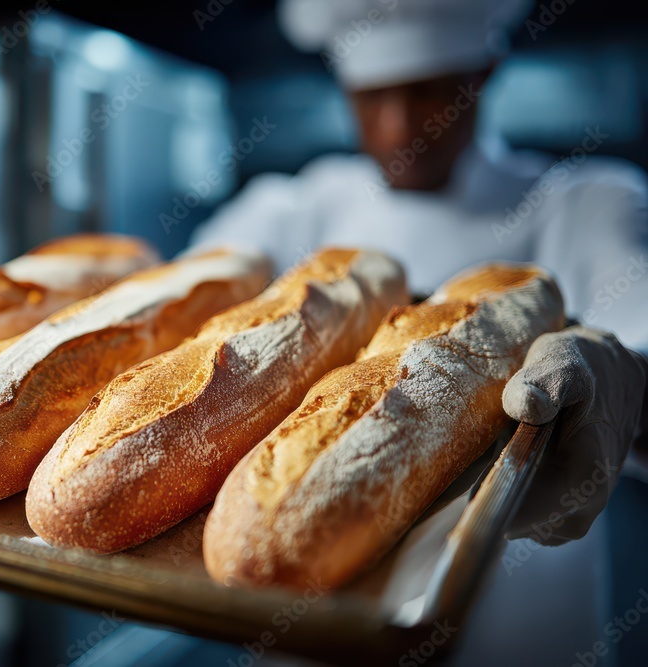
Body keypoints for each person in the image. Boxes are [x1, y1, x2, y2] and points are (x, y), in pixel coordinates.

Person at [190, 0, 648, 551]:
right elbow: (197, 287)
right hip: (317, 587)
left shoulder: (578, 199)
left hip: (528, 580)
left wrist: (624, 376)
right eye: (371, 98)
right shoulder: (304, 202)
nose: (399, 128)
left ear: (483, 76)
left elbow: (636, 319)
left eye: (430, 92)